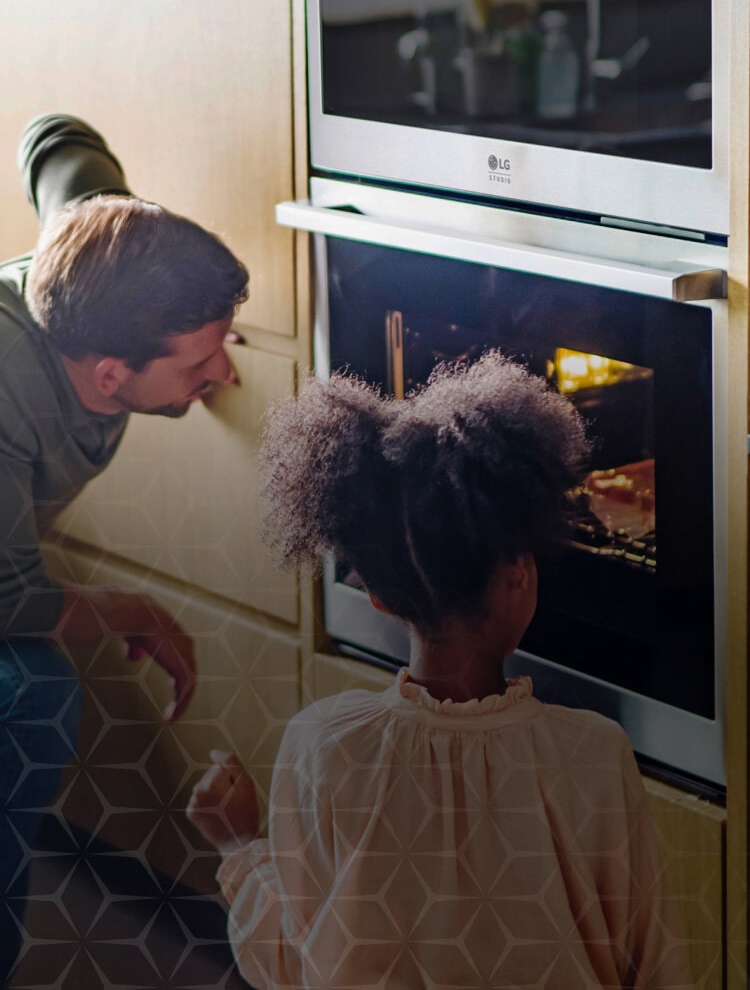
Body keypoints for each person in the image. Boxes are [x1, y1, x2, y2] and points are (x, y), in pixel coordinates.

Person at [188, 353, 694, 990]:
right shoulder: (594, 755)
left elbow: (292, 961)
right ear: (520, 573)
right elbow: (656, 969)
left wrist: (238, 846)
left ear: (377, 594)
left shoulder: (322, 744)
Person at [1, 114, 249, 978]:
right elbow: (4, 599)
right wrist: (131, 609)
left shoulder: (95, 249)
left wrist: (175, 299)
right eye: (199, 363)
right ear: (110, 376)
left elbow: (55, 135)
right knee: (30, 691)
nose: (221, 374)